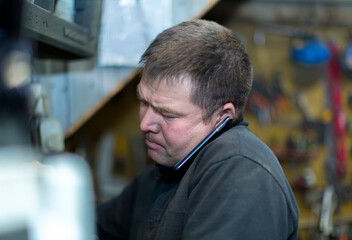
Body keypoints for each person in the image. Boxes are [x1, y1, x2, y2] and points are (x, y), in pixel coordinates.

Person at [97, 19, 299, 240]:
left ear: (222, 116)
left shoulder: (242, 172)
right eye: (144, 102)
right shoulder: (161, 173)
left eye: (168, 114)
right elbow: (94, 226)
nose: (145, 124)